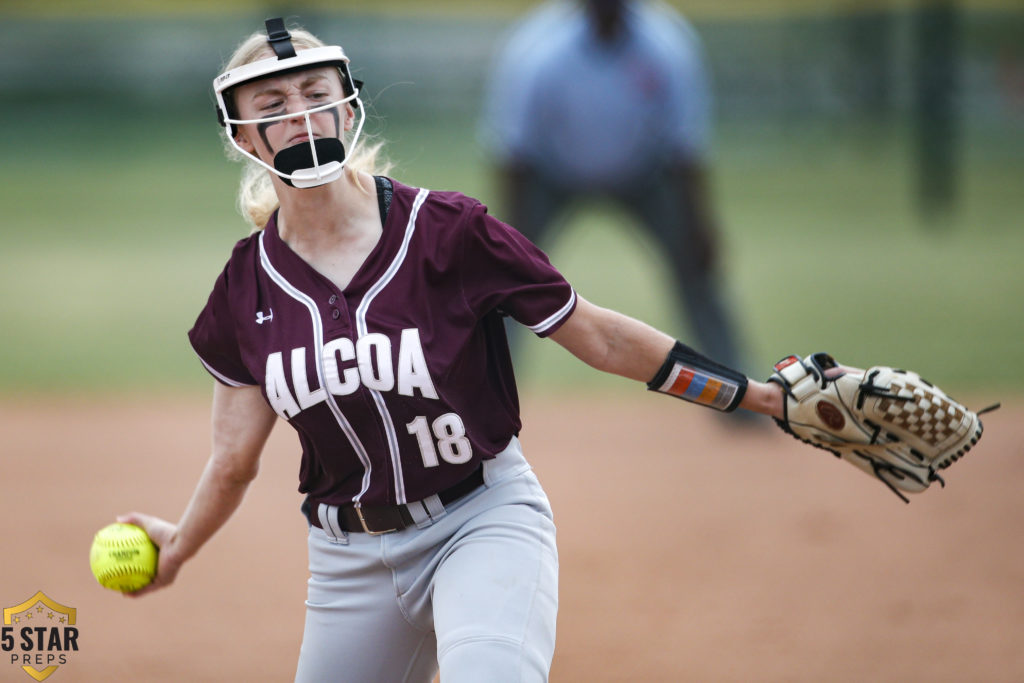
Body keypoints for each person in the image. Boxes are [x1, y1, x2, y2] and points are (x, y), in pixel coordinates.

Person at [117, 18, 787, 683]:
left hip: (480, 520)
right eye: (273, 105)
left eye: (315, 93)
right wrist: (177, 545)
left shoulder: (447, 232)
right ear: (241, 135)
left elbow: (602, 336)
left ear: (348, 107)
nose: (301, 115)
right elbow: (233, 462)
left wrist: (754, 394)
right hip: (348, 559)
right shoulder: (245, 288)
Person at [480, 0, 747, 373]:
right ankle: (481, 396)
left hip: (643, 174)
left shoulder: (667, 44)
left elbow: (685, 148)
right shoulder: (538, 48)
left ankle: (736, 394)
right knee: (507, 279)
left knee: (697, 272)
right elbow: (514, 152)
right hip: (552, 174)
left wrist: (698, 225)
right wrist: (509, 236)